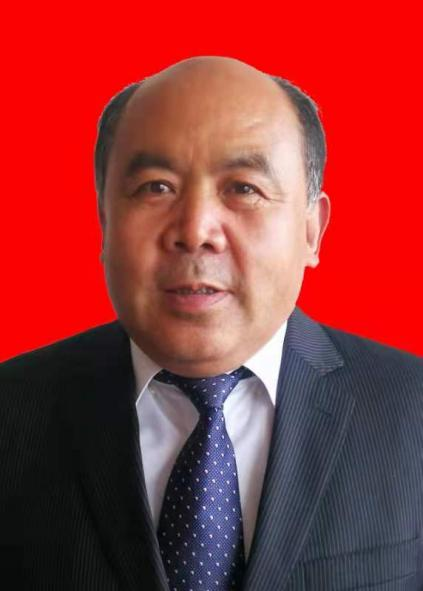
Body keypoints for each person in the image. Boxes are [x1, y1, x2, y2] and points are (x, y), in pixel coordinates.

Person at [1, 56, 422, 590]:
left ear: (311, 230)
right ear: (105, 221)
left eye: (243, 188)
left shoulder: (412, 408)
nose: (196, 230)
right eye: (156, 187)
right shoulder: (12, 413)